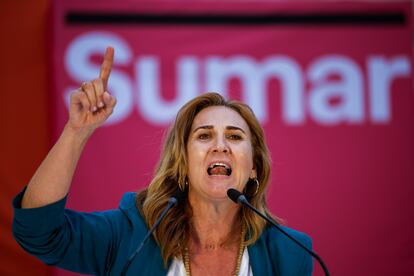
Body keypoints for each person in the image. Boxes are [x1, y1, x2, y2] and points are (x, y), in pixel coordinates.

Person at [12, 47, 313, 275]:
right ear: (182, 163)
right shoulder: (131, 234)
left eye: (234, 137)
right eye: (204, 136)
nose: (220, 146)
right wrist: (76, 132)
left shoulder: (289, 252)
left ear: (254, 168)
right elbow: (39, 233)